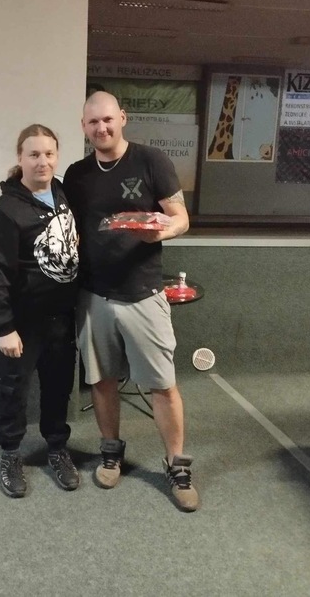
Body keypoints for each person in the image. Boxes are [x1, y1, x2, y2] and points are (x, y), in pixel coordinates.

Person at [63, 91, 199, 511]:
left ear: (122, 117)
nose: (101, 128)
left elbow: (181, 218)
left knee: (162, 384)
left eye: (107, 119)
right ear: (83, 127)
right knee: (102, 380)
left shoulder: (151, 160)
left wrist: (162, 231)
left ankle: (177, 465)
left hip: (143, 293)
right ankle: (110, 452)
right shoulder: (76, 174)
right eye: (92, 122)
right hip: (93, 295)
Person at [0, 124, 80, 498]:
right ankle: (10, 454)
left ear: (57, 156)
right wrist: (4, 327)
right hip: (22, 324)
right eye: (34, 154)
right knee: (13, 391)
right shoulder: (5, 211)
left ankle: (57, 449)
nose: (42, 161)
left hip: (61, 319)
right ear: (20, 158)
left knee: (58, 389)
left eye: (49, 154)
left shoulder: (63, 195)